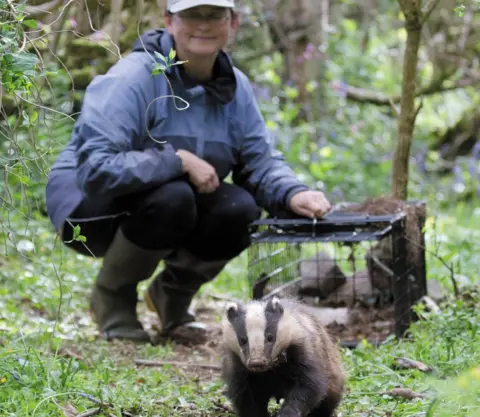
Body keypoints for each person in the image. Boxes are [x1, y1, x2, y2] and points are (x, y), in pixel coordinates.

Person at [45, 0, 332, 344]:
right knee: (173, 197)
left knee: (238, 208)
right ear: (168, 21)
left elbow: (259, 160)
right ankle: (112, 297)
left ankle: (172, 296)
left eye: (215, 15)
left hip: (167, 203)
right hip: (87, 209)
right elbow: (96, 169)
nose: (204, 25)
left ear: (233, 23)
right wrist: (177, 160)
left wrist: (292, 192)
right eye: (192, 15)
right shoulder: (134, 77)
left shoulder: (234, 87)